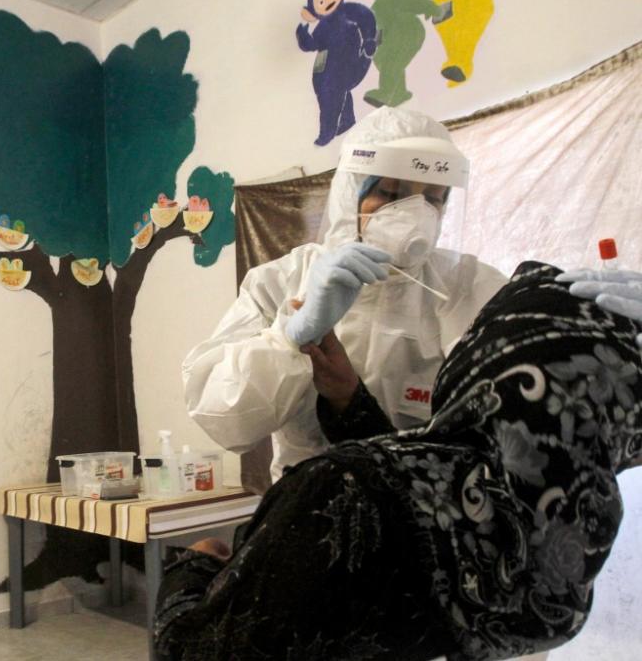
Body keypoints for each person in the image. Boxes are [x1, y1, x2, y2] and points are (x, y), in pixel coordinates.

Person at [156, 261, 642, 660]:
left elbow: (193, 653)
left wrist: (191, 567)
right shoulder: (559, 577)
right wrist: (348, 402)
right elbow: (420, 505)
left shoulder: (340, 489)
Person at [184, 106, 508, 483]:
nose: (415, 215)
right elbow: (220, 416)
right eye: (390, 193)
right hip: (311, 509)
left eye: (433, 199)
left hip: (430, 514)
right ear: (349, 193)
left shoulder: (467, 287)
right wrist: (287, 339)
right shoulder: (281, 282)